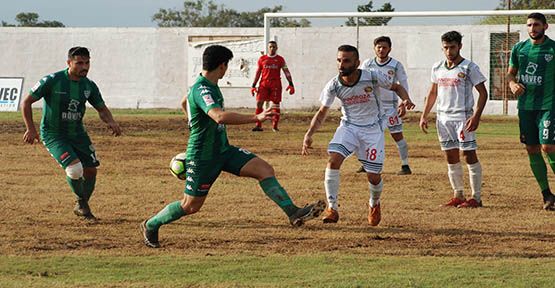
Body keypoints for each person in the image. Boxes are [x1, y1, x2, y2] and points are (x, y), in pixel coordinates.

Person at [141, 45, 324, 248]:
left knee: (264, 170)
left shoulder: (204, 85)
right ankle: (151, 224)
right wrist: (257, 116)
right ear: (222, 66)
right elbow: (218, 117)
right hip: (203, 157)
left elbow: (184, 102)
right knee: (190, 206)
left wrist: (192, 120)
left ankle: (293, 212)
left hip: (223, 150)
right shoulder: (203, 89)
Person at [302, 45, 415, 226]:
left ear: (357, 62)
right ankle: (332, 208)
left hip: (373, 129)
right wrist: (309, 134)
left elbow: (396, 87)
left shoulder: (371, 76)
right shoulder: (334, 84)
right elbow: (322, 111)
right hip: (349, 127)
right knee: (333, 160)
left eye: (346, 61)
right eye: (339, 60)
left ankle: (374, 203)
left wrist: (406, 99)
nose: (341, 64)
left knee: (373, 176)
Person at [22, 46, 122, 220]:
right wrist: (31, 128)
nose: (84, 67)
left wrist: (111, 121)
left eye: (87, 62)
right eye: (79, 63)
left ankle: (81, 203)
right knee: (75, 169)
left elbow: (101, 108)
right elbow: (26, 102)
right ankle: (82, 203)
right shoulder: (52, 80)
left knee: (91, 171)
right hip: (54, 134)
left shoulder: (89, 85)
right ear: (69, 63)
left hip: (77, 133)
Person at [420, 31, 488, 208]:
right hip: (443, 118)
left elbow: (483, 93)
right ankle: (458, 194)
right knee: (450, 155)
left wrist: (476, 116)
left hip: (463, 117)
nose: (449, 51)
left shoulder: (469, 67)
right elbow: (433, 92)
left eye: (452, 47)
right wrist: (424, 115)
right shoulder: (437, 67)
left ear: (460, 46)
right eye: (446, 48)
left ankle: (476, 197)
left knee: (468, 154)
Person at [508, 12, 555, 211]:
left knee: (548, 147)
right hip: (526, 107)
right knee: (532, 149)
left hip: (548, 105)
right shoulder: (519, 49)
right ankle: (547, 195)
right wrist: (512, 83)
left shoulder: (553, 48)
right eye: (529, 25)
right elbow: (511, 72)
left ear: (545, 26)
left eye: (536, 24)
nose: (532, 28)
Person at [358, 36, 412, 175]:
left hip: (390, 107)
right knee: (368, 137)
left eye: (384, 47)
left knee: (397, 136)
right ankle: (367, 164)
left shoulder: (395, 65)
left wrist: (403, 102)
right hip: (372, 107)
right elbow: (361, 82)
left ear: (390, 49)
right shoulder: (367, 64)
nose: (381, 50)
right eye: (379, 47)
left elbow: (403, 83)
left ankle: (405, 165)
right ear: (374, 48)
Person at [251, 41, 295, 132]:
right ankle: (258, 125)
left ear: (277, 48)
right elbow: (258, 72)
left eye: (274, 47)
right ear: (268, 48)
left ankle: (275, 126)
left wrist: (291, 83)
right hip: (263, 84)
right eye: (270, 47)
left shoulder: (280, 59)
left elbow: (286, 71)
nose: (272, 48)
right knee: (259, 103)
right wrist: (253, 85)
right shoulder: (262, 59)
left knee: (275, 105)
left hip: (276, 84)